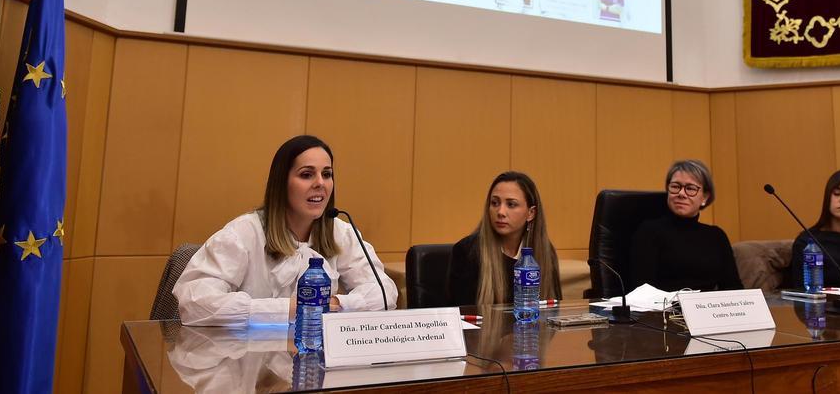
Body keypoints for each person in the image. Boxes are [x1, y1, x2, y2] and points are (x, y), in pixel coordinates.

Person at [174, 135, 398, 326]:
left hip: (315, 362)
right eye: (307, 174)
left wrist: (337, 305)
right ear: (282, 183)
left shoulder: (342, 233)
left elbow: (385, 293)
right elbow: (194, 302)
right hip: (247, 365)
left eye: (327, 174)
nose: (320, 183)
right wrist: (289, 309)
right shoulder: (242, 234)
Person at [447, 171, 563, 308]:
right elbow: (461, 317)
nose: (500, 212)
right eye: (495, 203)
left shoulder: (545, 251)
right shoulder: (469, 251)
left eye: (511, 204)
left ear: (531, 213)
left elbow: (553, 311)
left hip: (531, 328)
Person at [629, 160, 742, 292]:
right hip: (664, 310)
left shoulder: (716, 236)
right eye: (675, 186)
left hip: (707, 309)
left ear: (705, 197)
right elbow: (642, 290)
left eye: (690, 188)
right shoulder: (649, 231)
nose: (681, 194)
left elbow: (733, 288)